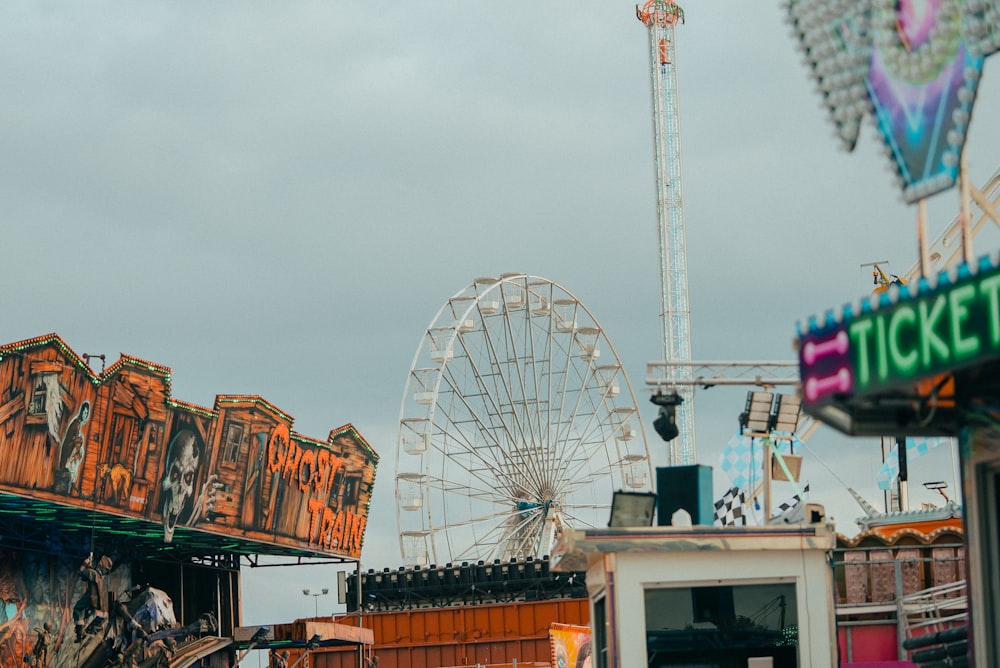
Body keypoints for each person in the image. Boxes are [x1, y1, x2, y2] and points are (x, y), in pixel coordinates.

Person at [73, 553, 112, 642]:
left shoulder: (92, 573)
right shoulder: (100, 577)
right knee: (86, 614)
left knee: (77, 608)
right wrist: (89, 567)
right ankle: (82, 630)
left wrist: (84, 564)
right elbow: (85, 578)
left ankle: (79, 633)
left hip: (90, 597)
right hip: (97, 602)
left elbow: (81, 573)